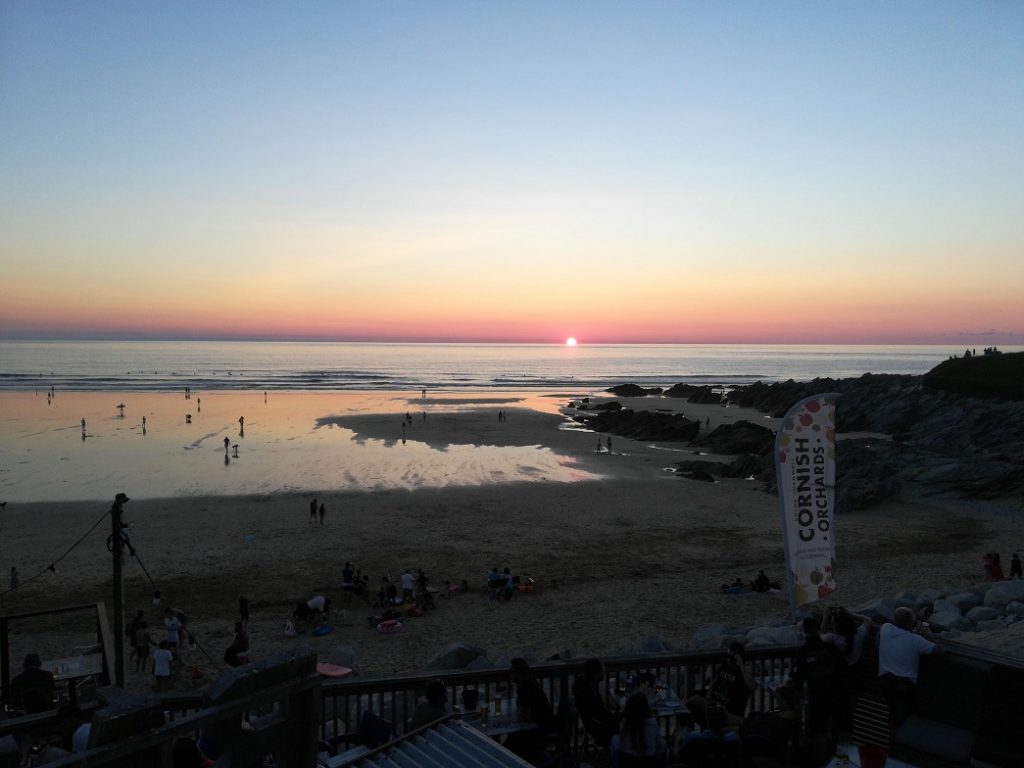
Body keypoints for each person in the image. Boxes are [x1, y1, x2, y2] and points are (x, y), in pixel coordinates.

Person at [878, 606, 944, 728]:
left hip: (885, 681)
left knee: (893, 712)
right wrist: (928, 635)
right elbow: (940, 650)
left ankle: (893, 735)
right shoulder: (916, 640)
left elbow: (901, 635)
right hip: (904, 684)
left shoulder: (885, 628)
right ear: (911, 622)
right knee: (904, 718)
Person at [791, 616, 844, 745]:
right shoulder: (830, 647)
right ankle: (835, 753)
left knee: (817, 729)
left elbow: (799, 676)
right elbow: (841, 666)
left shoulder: (803, 651)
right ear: (818, 629)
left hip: (816, 694)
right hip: (835, 692)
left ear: (804, 631)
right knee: (835, 726)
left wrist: (796, 693)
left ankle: (821, 757)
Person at [821, 606, 873, 739]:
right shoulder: (858, 635)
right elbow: (868, 620)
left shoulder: (832, 638)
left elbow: (820, 634)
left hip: (837, 678)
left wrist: (826, 617)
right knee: (850, 710)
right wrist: (851, 614)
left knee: (836, 711)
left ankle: (835, 739)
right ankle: (847, 738)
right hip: (855, 676)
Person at [686, 642, 756, 727]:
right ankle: (696, 728)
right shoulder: (725, 666)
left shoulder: (744, 674)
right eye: (728, 656)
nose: (729, 660)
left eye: (733, 658)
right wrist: (709, 695)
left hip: (728, 711)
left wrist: (740, 664)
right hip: (715, 703)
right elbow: (716, 681)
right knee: (690, 700)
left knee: (695, 699)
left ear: (741, 658)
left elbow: (752, 686)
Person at [506, 658, 555, 761]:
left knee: (507, 747)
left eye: (512, 672)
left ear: (519, 673)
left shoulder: (526, 687)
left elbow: (525, 716)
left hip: (537, 730)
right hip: (540, 726)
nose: (510, 674)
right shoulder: (528, 683)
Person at [572, 659, 619, 749]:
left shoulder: (585, 687)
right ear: (596, 673)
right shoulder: (589, 694)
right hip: (601, 732)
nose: (604, 672)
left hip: (593, 728)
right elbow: (603, 715)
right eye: (602, 670)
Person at [611, 691, 667, 761]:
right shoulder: (652, 722)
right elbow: (658, 744)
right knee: (663, 743)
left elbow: (622, 742)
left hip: (628, 762)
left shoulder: (625, 721)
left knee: (614, 739)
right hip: (650, 763)